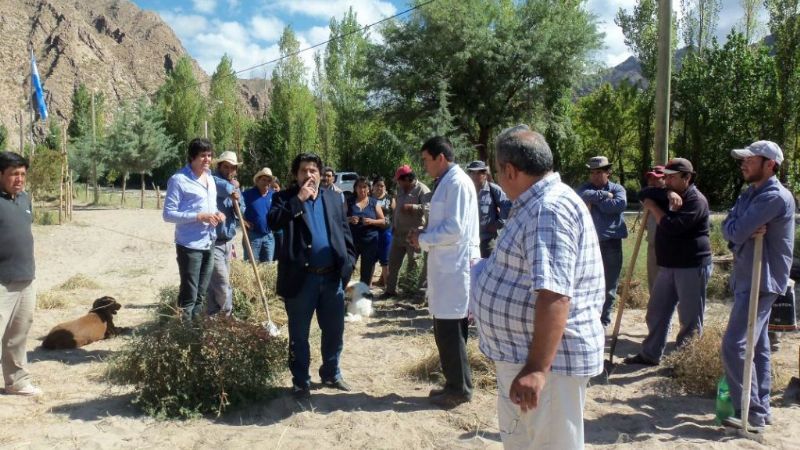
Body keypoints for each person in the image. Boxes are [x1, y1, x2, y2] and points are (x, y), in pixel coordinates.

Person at [472, 126, 604, 449]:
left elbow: (555, 294)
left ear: (510, 171)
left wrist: (536, 369)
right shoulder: (537, 203)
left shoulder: (548, 209)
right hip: (529, 361)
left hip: (549, 368)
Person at [268, 153, 356, 400]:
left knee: (334, 331)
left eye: (313, 170)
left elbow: (345, 232)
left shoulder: (333, 198)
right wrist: (299, 199)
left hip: (331, 280)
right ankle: (301, 381)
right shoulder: (284, 198)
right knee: (299, 335)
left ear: (320, 173)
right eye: (304, 171)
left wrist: (348, 265)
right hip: (301, 280)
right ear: (296, 175)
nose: (309, 175)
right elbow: (273, 222)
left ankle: (330, 372)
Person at [720, 141, 795, 432]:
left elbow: (737, 230)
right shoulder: (750, 193)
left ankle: (748, 410)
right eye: (744, 159)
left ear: (770, 165)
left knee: (734, 345)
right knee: (759, 345)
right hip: (747, 275)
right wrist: (739, 230)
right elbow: (730, 228)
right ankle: (761, 411)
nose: (744, 164)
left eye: (751, 160)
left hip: (761, 280)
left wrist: (740, 230)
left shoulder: (774, 196)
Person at [408, 136, 480, 407]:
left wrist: (423, 239)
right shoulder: (447, 183)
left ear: (440, 157)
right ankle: (453, 383)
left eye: (426, 160)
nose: (424, 166)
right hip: (445, 267)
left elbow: (456, 229)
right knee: (444, 329)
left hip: (454, 268)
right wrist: (425, 234)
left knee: (450, 330)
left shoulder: (458, 183)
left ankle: (460, 389)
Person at [624, 158, 712, 366]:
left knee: (689, 319)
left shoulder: (695, 201)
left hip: (691, 266)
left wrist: (654, 207)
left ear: (687, 178)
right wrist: (666, 193)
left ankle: (685, 362)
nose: (667, 181)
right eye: (666, 177)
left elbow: (672, 226)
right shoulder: (670, 195)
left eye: (672, 178)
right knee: (657, 311)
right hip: (668, 266)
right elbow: (643, 193)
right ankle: (650, 354)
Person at [163, 138, 223, 320]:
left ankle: (195, 331)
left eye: (209, 155)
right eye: (202, 156)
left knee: (201, 294)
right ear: (191, 157)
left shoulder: (210, 179)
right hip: (189, 245)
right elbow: (168, 214)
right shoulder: (179, 180)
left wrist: (218, 214)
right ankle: (183, 335)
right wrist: (199, 216)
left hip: (209, 242)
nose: (207, 160)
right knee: (189, 295)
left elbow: (210, 208)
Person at [0, 151, 41, 396]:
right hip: (1, 281)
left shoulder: (24, 199)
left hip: (26, 278)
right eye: (14, 174)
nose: (19, 179)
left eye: (23, 174)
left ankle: (17, 381)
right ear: (0, 174)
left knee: (18, 334)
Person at [577, 156, 628, 327]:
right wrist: (604, 195)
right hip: (589, 245)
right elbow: (580, 195)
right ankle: (590, 320)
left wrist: (596, 201)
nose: (594, 176)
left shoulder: (618, 188)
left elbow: (618, 205)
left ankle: (604, 322)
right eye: (592, 172)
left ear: (608, 173)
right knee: (587, 284)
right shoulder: (587, 188)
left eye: (599, 172)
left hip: (612, 243)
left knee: (609, 287)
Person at [383, 165, 430, 298]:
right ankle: (390, 291)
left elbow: (429, 208)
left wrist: (413, 207)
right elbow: (397, 209)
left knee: (413, 263)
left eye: (400, 180)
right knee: (393, 262)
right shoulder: (401, 189)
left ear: (408, 179)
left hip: (413, 234)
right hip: (398, 233)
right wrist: (393, 224)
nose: (398, 183)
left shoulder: (422, 189)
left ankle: (409, 293)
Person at [206, 151, 244, 317]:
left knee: (215, 282)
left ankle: (211, 316)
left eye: (232, 167)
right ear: (219, 166)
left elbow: (242, 210)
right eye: (226, 166)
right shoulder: (211, 180)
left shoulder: (235, 187)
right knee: (222, 282)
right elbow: (218, 185)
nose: (229, 170)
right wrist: (231, 189)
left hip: (228, 242)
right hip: (213, 241)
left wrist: (238, 204)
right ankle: (227, 317)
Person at [466, 160, 511, 258]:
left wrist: (498, 223)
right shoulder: (465, 190)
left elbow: (507, 206)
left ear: (485, 174)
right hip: (469, 241)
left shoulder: (493, 190)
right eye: (472, 173)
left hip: (488, 241)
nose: (475, 176)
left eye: (479, 173)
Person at [347, 177, 386, 286]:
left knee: (367, 270)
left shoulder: (374, 203)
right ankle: (343, 293)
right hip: (352, 241)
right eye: (359, 186)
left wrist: (372, 221)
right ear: (355, 188)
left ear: (369, 189)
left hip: (370, 241)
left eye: (365, 187)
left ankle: (363, 295)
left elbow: (383, 221)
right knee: (348, 267)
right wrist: (349, 219)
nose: (362, 189)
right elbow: (340, 219)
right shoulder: (349, 201)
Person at [242, 168, 275, 263]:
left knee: (268, 267)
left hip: (269, 236)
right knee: (251, 266)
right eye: (263, 180)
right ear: (257, 181)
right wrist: (243, 221)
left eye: (269, 180)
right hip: (253, 236)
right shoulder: (247, 194)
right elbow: (234, 207)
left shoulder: (273, 195)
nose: (266, 183)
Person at [644, 166, 666, 292]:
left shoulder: (671, 196)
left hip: (668, 247)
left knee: (668, 284)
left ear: (665, 179)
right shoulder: (648, 197)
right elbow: (641, 193)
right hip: (653, 244)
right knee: (653, 283)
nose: (652, 182)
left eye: (657, 179)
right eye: (650, 179)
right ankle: (655, 310)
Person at [372, 176, 394, 287]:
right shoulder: (369, 198)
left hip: (386, 232)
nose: (380, 188)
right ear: (373, 187)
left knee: (385, 260)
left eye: (382, 186)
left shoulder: (390, 199)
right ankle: (367, 286)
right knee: (370, 259)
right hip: (372, 231)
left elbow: (395, 214)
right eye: (378, 185)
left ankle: (387, 286)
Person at [271, 178, 283, 262]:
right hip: (270, 233)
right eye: (272, 187)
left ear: (280, 187)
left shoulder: (283, 199)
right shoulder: (268, 199)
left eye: (276, 187)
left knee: (281, 254)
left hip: (281, 232)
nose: (274, 189)